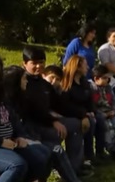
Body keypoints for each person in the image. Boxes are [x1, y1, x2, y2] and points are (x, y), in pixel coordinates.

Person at [3, 66, 100, 182]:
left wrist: (56, 121)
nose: (26, 81)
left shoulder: (24, 97)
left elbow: (43, 112)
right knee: (50, 150)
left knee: (56, 148)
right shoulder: (4, 103)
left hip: (27, 136)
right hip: (11, 142)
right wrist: (25, 138)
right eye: (24, 79)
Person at [20, 46, 88, 175]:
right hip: (30, 127)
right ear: (24, 63)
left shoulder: (43, 84)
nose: (38, 66)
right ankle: (40, 178)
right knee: (54, 137)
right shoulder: (21, 82)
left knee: (75, 124)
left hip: (46, 122)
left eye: (41, 62)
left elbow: (61, 105)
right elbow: (30, 110)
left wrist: (82, 115)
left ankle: (74, 168)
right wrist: (53, 121)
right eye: (34, 63)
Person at [61, 55, 108, 164]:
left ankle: (100, 152)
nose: (87, 68)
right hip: (73, 114)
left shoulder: (84, 82)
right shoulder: (67, 84)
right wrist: (84, 114)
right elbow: (66, 105)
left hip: (86, 112)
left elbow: (89, 100)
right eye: (85, 65)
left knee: (100, 119)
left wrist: (91, 111)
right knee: (91, 122)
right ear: (77, 67)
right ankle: (88, 154)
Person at [90, 65, 115, 156]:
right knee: (107, 126)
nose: (107, 80)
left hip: (110, 111)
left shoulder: (108, 88)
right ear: (96, 79)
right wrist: (102, 114)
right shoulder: (91, 89)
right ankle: (110, 146)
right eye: (104, 78)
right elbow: (92, 105)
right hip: (100, 114)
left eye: (108, 78)